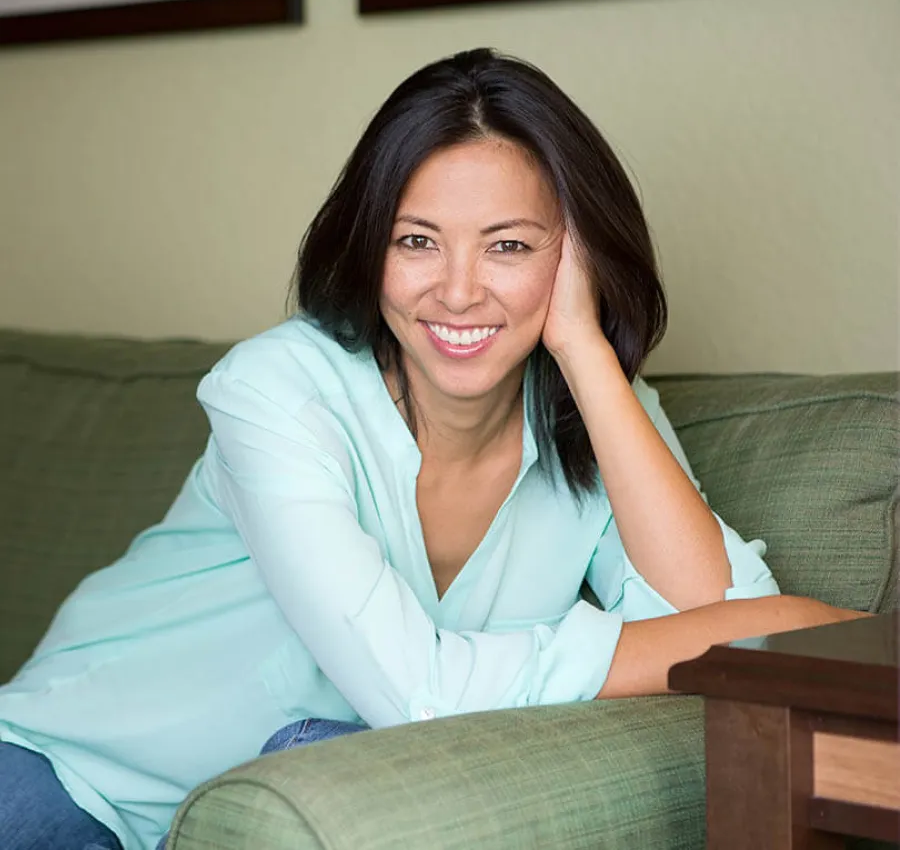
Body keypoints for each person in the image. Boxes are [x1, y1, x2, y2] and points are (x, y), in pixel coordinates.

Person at [0, 48, 866, 850]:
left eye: (510, 246)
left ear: (579, 256)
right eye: (417, 240)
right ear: (367, 243)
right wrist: (762, 628)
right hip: (74, 774)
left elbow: (726, 610)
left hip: (288, 804)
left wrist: (585, 350)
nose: (457, 292)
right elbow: (423, 694)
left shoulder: (597, 407)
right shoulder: (275, 390)